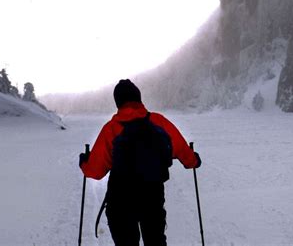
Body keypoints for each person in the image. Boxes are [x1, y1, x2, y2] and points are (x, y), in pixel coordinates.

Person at [79, 79, 201, 246]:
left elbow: (95, 171)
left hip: (120, 200)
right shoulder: (158, 121)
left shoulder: (111, 129)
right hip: (152, 197)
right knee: (155, 241)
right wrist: (194, 161)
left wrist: (84, 163)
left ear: (118, 102)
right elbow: (181, 150)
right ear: (139, 98)